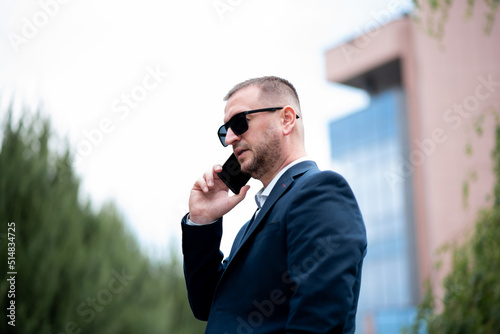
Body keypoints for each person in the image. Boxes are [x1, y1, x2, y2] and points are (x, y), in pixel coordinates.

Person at [181, 76, 367, 334]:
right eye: (225, 131)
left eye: (239, 123)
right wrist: (202, 220)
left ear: (287, 119)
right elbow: (207, 306)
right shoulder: (251, 226)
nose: (229, 139)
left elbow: (319, 322)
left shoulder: (320, 192)